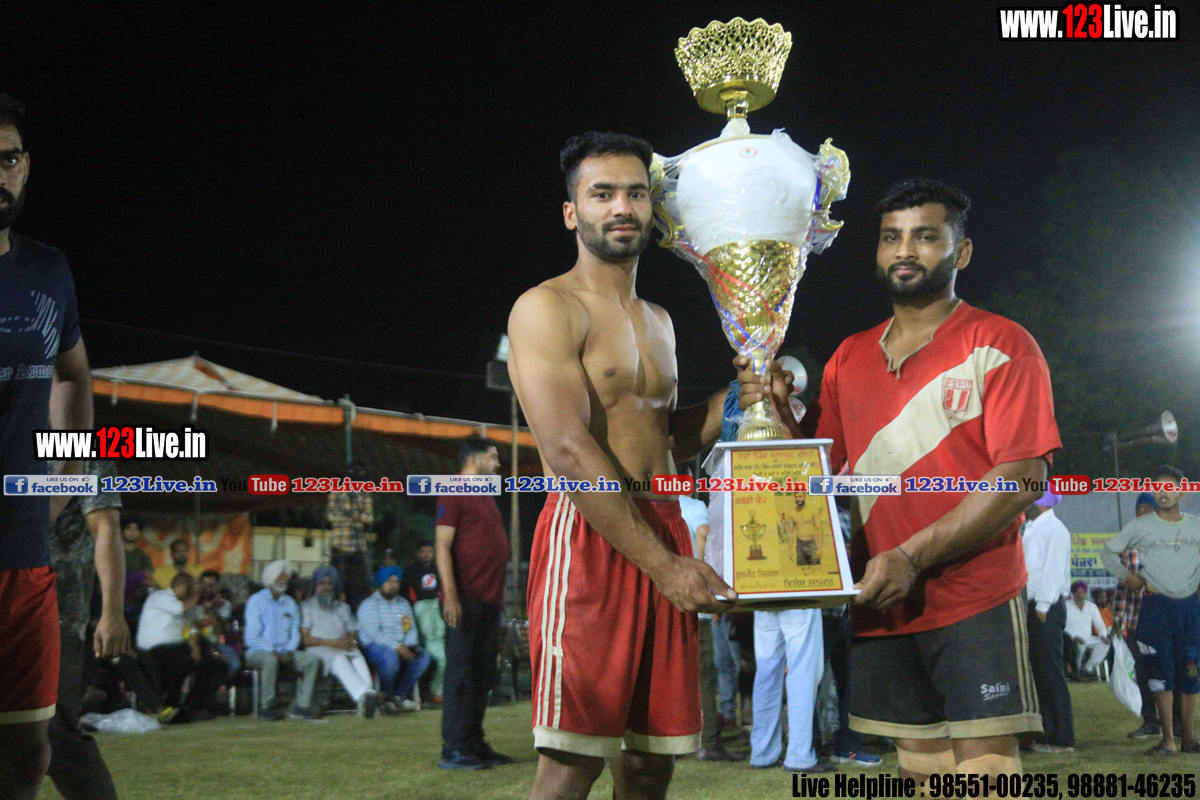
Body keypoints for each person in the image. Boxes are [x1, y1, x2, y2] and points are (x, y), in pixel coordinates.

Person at [508, 132, 759, 798]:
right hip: (591, 535)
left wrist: (738, 400)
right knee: (571, 762)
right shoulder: (546, 307)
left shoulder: (659, 320)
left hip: (665, 523)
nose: (622, 207)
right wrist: (664, 566)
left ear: (653, 208)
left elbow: (664, 439)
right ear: (572, 213)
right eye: (603, 194)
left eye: (636, 193)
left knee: (651, 764)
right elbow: (568, 450)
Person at [794, 179, 1058, 785]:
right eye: (891, 237)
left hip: (974, 593)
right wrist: (774, 412)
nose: (905, 250)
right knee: (921, 770)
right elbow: (817, 470)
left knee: (987, 774)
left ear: (960, 252)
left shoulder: (1001, 342)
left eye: (925, 236)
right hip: (883, 595)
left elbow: (1022, 477)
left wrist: (911, 556)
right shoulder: (847, 357)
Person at [0, 92, 95, 800]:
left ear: (25, 166)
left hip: (23, 554)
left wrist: (67, 471)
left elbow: (73, 374)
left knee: (29, 752)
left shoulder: (47, 269)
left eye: (7, 159)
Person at [1101, 465, 1200, 756]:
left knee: (1191, 672)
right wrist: (1127, 576)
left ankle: (1189, 738)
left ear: (1182, 492)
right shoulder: (1140, 526)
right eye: (1157, 488)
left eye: (1169, 487)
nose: (1162, 493)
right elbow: (1108, 552)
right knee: (1160, 674)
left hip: (1190, 609)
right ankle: (1168, 739)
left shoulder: (1195, 525)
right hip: (1155, 609)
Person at [46, 461, 128, 800]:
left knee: (54, 732)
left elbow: (106, 529)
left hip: (57, 615)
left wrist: (112, 612)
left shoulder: (83, 453)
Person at [433, 437, 512, 770]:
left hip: (488, 599)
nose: (498, 464)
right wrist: (450, 594)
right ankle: (453, 748)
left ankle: (473, 741)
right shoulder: (453, 489)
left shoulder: (485, 494)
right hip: (464, 599)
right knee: (461, 674)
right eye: (492, 457)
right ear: (475, 459)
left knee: (482, 674)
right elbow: (442, 546)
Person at [679, 492, 743, 763]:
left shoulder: (646, 505)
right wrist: (706, 580)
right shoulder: (692, 506)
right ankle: (708, 742)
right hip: (693, 603)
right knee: (703, 675)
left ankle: (670, 741)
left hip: (662, 601)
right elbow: (703, 534)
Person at [1021, 490, 1075, 753]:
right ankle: (1046, 733)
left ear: (1042, 502)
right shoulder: (1031, 528)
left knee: (1050, 673)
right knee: (1038, 673)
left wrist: (1042, 606)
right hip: (1032, 606)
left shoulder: (1054, 529)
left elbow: (1054, 571)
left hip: (1046, 607)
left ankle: (1061, 738)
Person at [135, 573, 226, 721]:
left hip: (176, 647)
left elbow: (193, 629)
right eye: (190, 588)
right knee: (181, 661)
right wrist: (197, 593)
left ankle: (193, 705)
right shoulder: (160, 596)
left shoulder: (186, 603)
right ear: (182, 586)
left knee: (213, 663)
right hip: (154, 647)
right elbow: (181, 610)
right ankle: (171, 704)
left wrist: (196, 649)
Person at [750, 609, 831, 773]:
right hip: (799, 599)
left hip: (761, 599)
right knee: (803, 671)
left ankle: (762, 753)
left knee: (766, 673)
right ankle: (799, 756)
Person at [243, 560, 321, 721]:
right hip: (259, 650)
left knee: (312, 660)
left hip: (286, 651)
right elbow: (252, 636)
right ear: (270, 579)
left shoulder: (289, 602)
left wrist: (290, 651)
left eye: (285, 577)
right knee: (270, 660)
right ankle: (267, 706)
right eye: (280, 576)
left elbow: (295, 632)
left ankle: (303, 705)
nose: (284, 580)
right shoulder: (256, 601)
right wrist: (273, 651)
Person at [300, 565, 381, 718]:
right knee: (339, 658)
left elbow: (354, 635)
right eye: (322, 583)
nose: (326, 587)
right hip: (320, 650)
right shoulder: (307, 607)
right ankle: (367, 695)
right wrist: (333, 643)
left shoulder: (343, 608)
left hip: (343, 647)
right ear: (315, 585)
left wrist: (351, 642)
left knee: (356, 655)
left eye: (329, 583)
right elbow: (305, 639)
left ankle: (367, 698)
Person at [357, 566, 430, 712]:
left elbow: (410, 628)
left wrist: (409, 644)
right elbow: (374, 634)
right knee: (390, 658)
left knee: (423, 657)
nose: (394, 585)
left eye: (397, 582)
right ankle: (387, 696)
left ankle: (399, 696)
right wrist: (397, 646)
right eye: (389, 581)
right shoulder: (369, 605)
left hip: (402, 645)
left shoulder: (403, 603)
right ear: (380, 583)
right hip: (375, 647)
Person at [326, 463, 373, 610]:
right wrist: (355, 516)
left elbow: (369, 518)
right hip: (339, 546)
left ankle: (354, 610)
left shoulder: (364, 494)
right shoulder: (336, 492)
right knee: (338, 583)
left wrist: (350, 514)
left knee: (357, 585)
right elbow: (331, 516)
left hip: (358, 546)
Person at [405, 539, 446, 703]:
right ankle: (434, 690)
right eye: (424, 551)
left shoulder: (437, 569)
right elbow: (407, 594)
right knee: (432, 645)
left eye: (430, 551)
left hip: (436, 609)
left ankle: (438, 690)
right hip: (420, 610)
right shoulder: (411, 571)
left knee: (441, 640)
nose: (427, 554)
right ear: (418, 553)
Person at [1064, 580, 1110, 680]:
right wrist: (1074, 636)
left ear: (1085, 593)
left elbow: (1100, 624)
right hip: (1072, 639)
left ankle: (1088, 668)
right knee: (1080, 645)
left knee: (1105, 644)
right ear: (1073, 593)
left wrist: (1103, 635)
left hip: (1089, 638)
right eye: (1077, 592)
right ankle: (1076, 671)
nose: (1080, 594)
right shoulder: (1066, 605)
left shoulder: (1091, 606)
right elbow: (1063, 626)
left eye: (1082, 592)